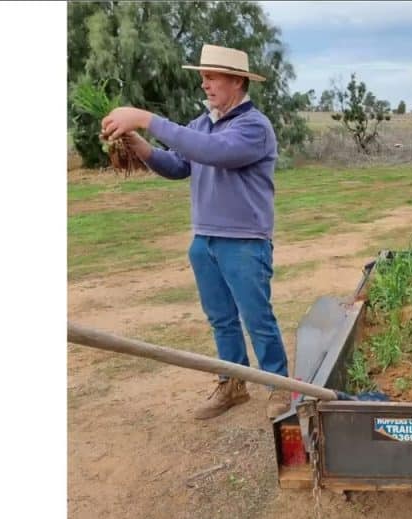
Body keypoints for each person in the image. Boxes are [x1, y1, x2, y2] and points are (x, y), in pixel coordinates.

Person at [100, 44, 291, 421]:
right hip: (204, 240)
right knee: (220, 318)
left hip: (244, 242)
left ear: (236, 81)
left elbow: (213, 152)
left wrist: (145, 118)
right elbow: (177, 165)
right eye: (202, 77)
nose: (204, 84)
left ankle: (279, 387)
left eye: (211, 77)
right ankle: (232, 384)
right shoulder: (200, 124)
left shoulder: (254, 126)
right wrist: (138, 144)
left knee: (257, 318)